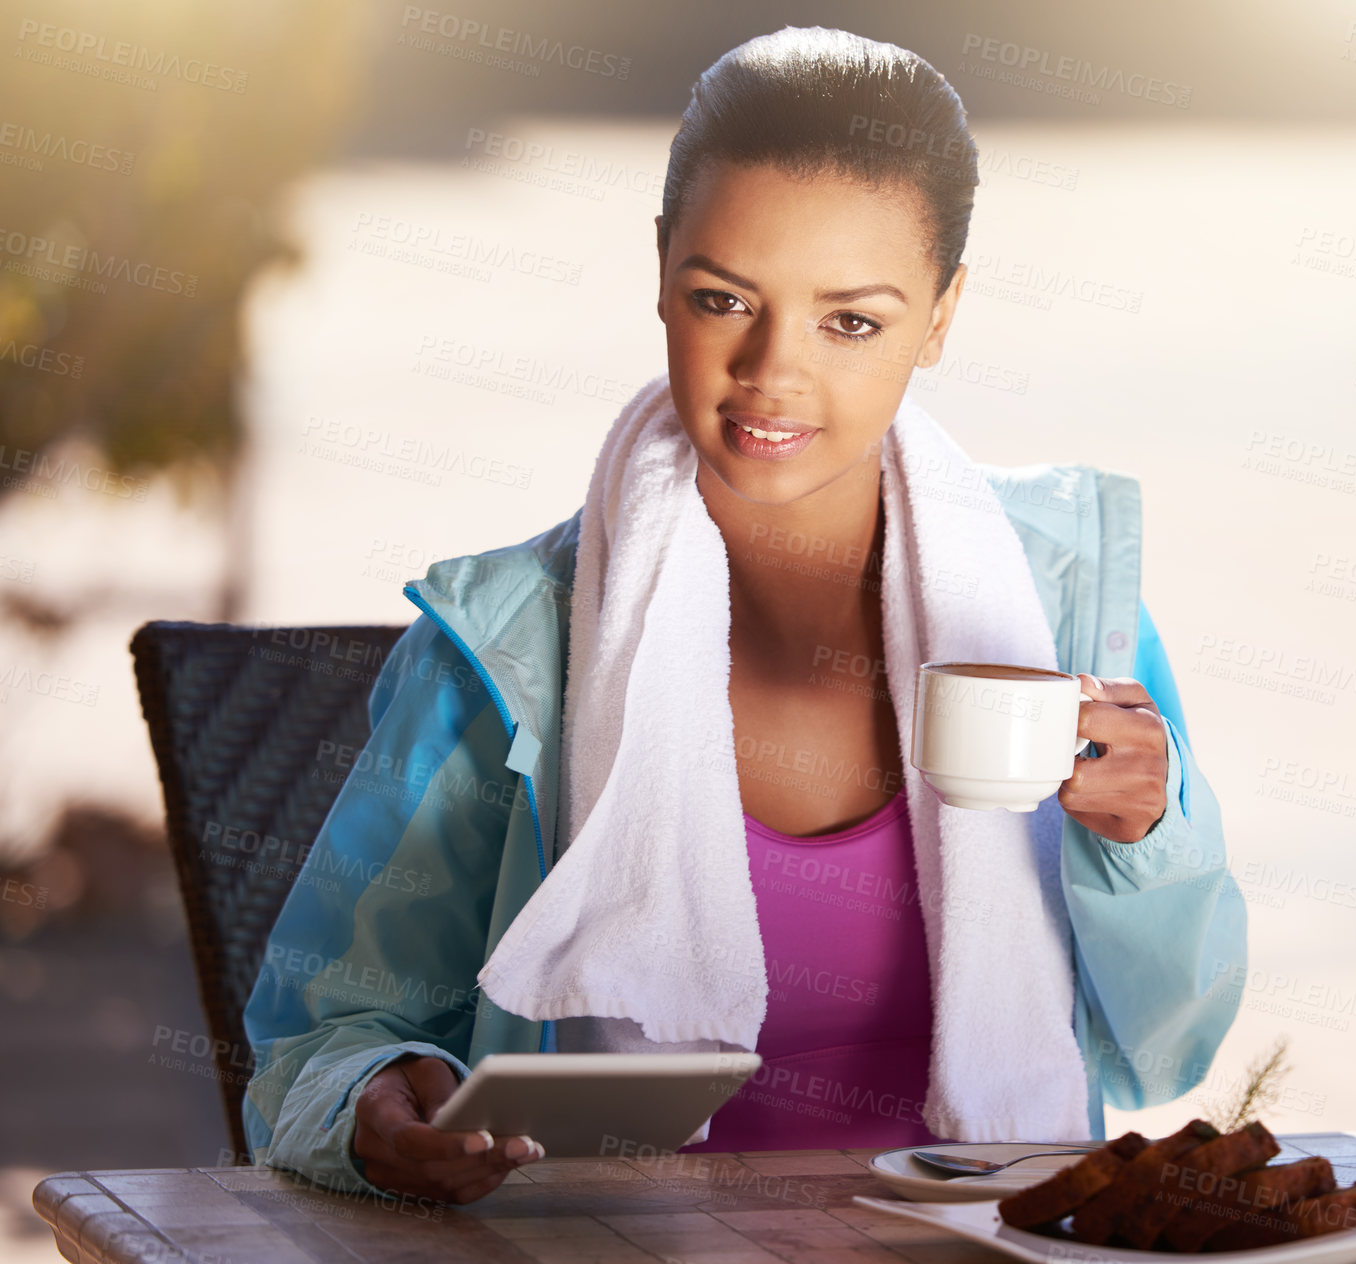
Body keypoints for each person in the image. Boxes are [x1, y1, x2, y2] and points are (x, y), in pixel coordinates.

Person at [242, 25, 1246, 1206]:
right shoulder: (508, 641)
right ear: (661, 272)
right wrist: (379, 1103)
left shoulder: (1066, 605)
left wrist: (1146, 836)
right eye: (724, 299)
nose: (772, 371)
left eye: (852, 321)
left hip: (992, 1239)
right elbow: (317, 1041)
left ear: (941, 316)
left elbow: (1165, 1049)